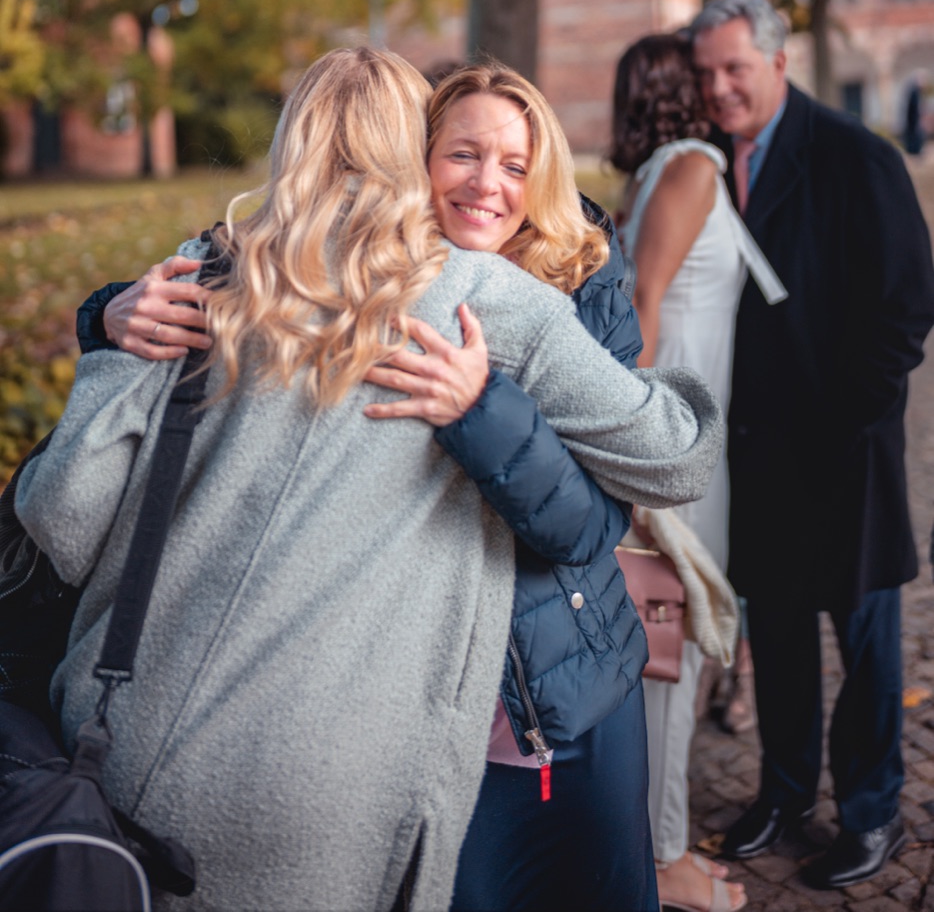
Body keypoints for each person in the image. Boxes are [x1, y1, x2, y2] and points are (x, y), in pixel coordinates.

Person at [19, 48, 723, 912]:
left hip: (121, 741)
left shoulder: (203, 273)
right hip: (327, 781)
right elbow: (680, 455)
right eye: (461, 154)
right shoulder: (482, 296)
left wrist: (110, 342)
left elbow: (61, 518)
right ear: (415, 153)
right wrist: (110, 317)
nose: (486, 184)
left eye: (513, 165)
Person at [689, 0, 934, 890]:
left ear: (778, 62)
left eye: (735, 69)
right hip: (757, 453)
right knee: (782, 638)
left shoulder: (854, 155)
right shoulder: (708, 159)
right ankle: (785, 795)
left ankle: (872, 816)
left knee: (866, 645)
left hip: (846, 449)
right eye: (707, 72)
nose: (720, 88)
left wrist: (852, 417)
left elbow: (909, 304)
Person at [611, 33, 784, 912]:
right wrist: (633, 456)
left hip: (683, 440)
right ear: (678, 90)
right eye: (702, 77)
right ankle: (662, 857)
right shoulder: (689, 168)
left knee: (662, 650)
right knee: (668, 660)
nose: (721, 89)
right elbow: (641, 307)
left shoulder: (657, 173)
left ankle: (650, 843)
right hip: (675, 449)